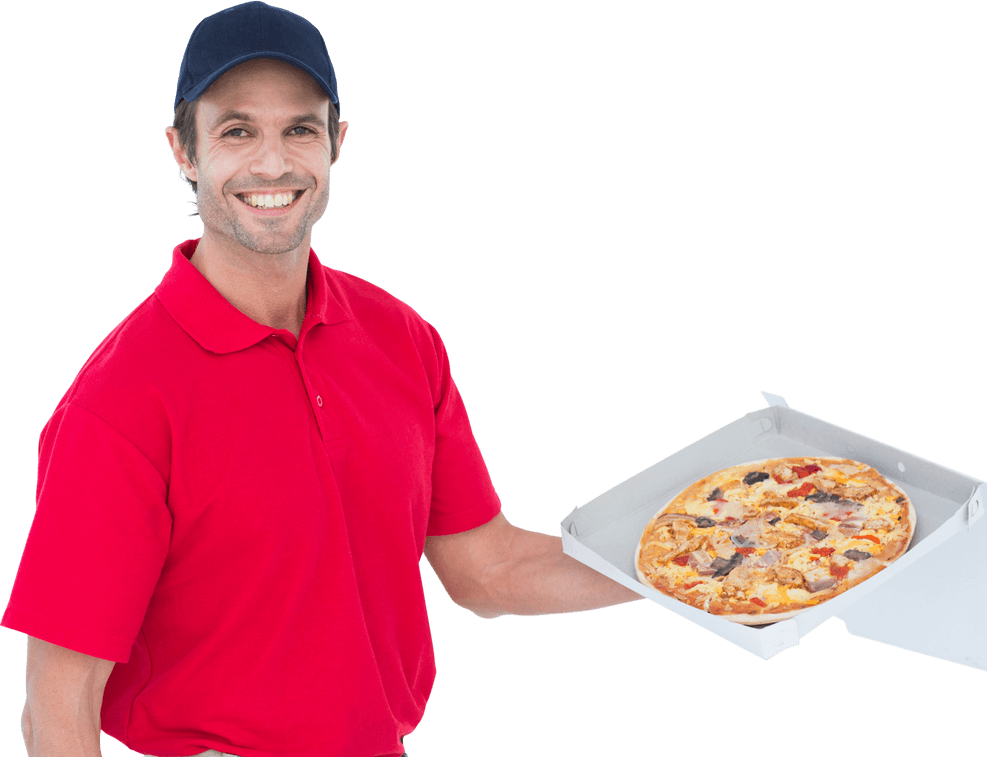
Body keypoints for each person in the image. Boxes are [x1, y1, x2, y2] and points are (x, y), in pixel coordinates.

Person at [1, 3, 641, 756]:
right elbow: (57, 701)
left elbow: (488, 568)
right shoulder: (121, 401)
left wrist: (685, 562)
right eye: (236, 131)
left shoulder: (402, 340)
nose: (272, 163)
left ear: (336, 143)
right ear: (183, 149)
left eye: (299, 129)